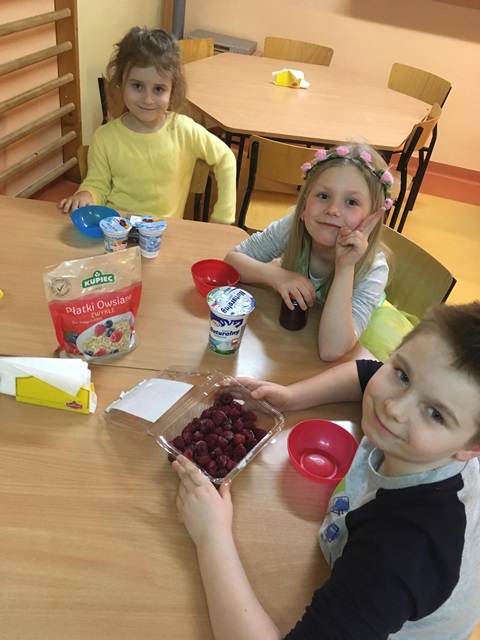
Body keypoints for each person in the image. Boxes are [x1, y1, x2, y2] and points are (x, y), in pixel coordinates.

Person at [173, 301, 480, 640]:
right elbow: (367, 372)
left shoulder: (403, 551)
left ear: (471, 448)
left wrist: (211, 535)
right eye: (403, 375)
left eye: (435, 414)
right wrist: (293, 396)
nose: (394, 407)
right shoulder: (427, 428)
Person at [224, 142, 408, 361]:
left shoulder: (373, 268)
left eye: (351, 202)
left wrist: (345, 266)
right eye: (323, 196)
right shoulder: (293, 227)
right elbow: (231, 261)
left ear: (372, 218)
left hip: (349, 332)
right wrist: (277, 275)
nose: (333, 210)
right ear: (304, 206)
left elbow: (332, 350)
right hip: (300, 329)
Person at [59, 27, 236, 224]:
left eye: (159, 89)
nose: (148, 99)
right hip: (116, 231)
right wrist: (86, 194)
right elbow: (97, 184)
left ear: (172, 90)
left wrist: (223, 216)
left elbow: (226, 158)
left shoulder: (184, 130)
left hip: (161, 234)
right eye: (137, 86)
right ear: (121, 83)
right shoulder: (104, 137)